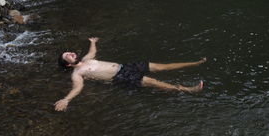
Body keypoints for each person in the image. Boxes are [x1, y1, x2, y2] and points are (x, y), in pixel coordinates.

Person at [54, 37, 206, 111]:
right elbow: (77, 88)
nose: (71, 53)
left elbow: (92, 52)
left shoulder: (86, 59)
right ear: (68, 64)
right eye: (68, 56)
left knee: (162, 67)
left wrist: (93, 42)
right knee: (153, 82)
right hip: (121, 77)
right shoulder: (77, 74)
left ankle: (194, 63)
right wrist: (66, 99)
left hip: (126, 67)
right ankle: (187, 89)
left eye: (70, 52)